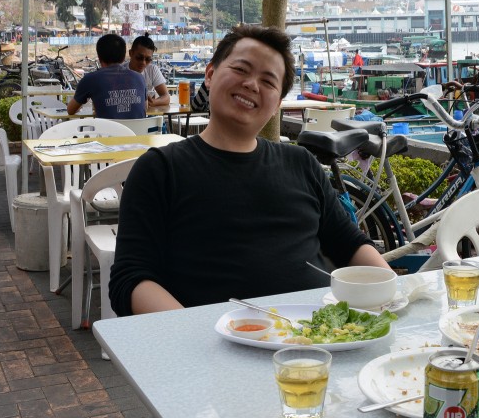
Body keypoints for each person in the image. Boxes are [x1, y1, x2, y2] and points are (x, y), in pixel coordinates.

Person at [109, 24, 391, 315]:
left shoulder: (301, 163)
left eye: (268, 82)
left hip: (321, 336)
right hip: (215, 346)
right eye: (241, 70)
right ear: (210, 74)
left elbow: (350, 244)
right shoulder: (160, 169)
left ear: (277, 104)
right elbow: (130, 279)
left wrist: (394, 293)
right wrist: (195, 337)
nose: (252, 85)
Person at [67, 33, 146, 119]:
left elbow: (70, 110)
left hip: (107, 132)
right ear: (124, 58)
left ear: (99, 57)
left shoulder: (90, 79)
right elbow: (145, 107)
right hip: (138, 132)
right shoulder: (140, 78)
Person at [125, 34, 171, 108]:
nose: (143, 62)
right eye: (139, 58)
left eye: (148, 59)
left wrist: (152, 102)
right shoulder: (120, 71)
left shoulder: (152, 70)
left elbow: (166, 97)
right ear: (131, 53)